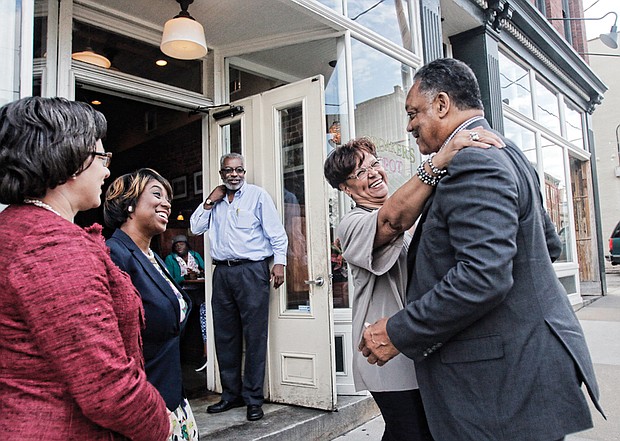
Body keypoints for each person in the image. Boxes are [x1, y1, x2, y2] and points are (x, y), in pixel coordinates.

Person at [359, 58, 605, 440]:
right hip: (525, 372)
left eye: (413, 113)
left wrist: (399, 330)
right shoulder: (507, 152)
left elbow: (483, 275)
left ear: (441, 104)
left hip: (504, 384)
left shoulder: (474, 161)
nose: (409, 125)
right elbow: (547, 245)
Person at [0, 97, 170, 440]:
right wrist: (161, 425)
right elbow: (107, 387)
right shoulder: (52, 246)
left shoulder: (16, 228)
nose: (108, 170)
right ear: (70, 156)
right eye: (102, 157)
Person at [324, 130, 502, 441]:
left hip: (416, 342)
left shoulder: (408, 211)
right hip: (383, 349)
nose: (373, 174)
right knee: (410, 432)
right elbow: (391, 221)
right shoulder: (352, 224)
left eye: (374, 164)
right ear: (345, 188)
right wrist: (437, 162)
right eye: (359, 173)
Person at [190, 152, 288, 422]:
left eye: (239, 170)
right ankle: (230, 395)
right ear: (221, 174)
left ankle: (253, 399)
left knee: (254, 337)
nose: (234, 175)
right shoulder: (217, 201)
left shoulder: (258, 196)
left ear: (244, 173)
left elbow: (277, 235)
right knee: (225, 335)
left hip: (252, 271)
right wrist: (210, 200)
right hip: (222, 272)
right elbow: (195, 227)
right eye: (228, 171)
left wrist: (279, 264)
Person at [104, 168, 198, 441]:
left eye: (168, 197)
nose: (167, 203)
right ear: (129, 204)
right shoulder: (115, 254)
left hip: (172, 395)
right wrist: (145, 408)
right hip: (146, 406)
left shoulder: (152, 257)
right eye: (157, 194)